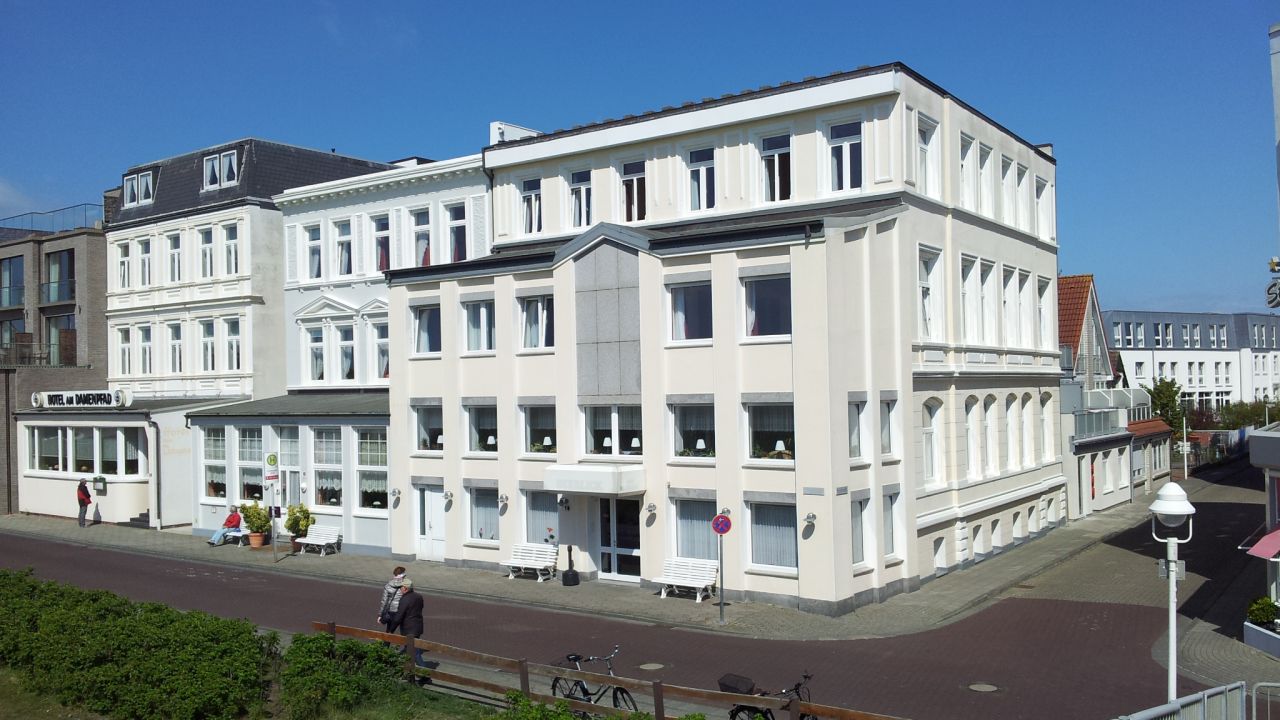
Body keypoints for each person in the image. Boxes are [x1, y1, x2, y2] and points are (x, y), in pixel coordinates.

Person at [391, 578, 425, 668]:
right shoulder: (419, 597)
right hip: (417, 628)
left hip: (409, 630)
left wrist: (391, 630)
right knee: (409, 651)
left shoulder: (405, 599)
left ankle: (425, 675)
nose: (400, 589)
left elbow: (398, 617)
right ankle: (408, 673)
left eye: (401, 587)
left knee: (414, 652)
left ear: (405, 588)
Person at [377, 566, 406, 635]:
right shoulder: (406, 585)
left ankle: (386, 645)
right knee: (404, 631)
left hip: (391, 611)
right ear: (403, 574)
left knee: (389, 632)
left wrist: (380, 614)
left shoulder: (388, 585)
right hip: (401, 611)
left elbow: (384, 601)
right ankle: (407, 645)